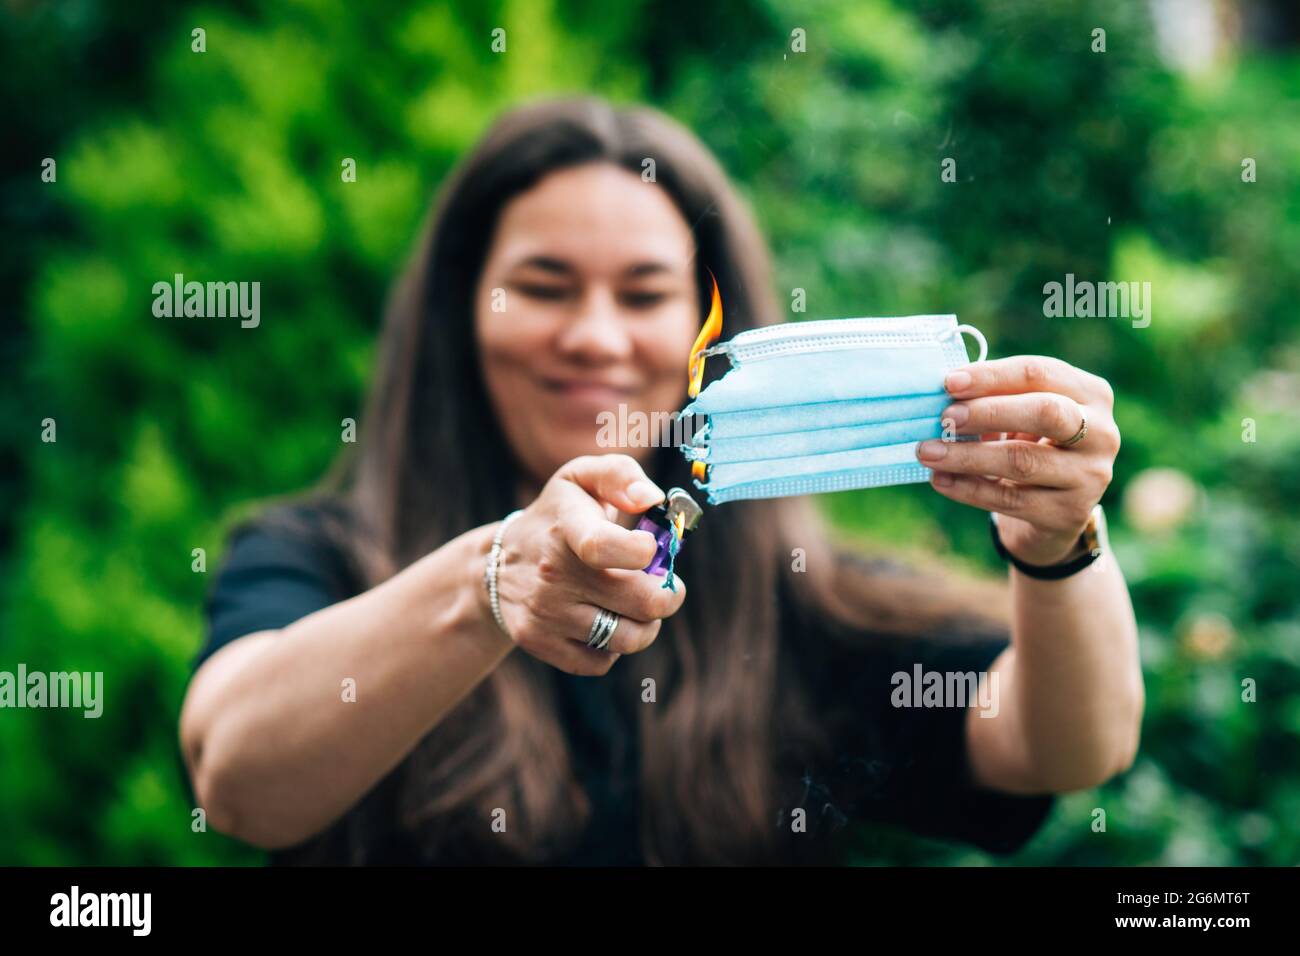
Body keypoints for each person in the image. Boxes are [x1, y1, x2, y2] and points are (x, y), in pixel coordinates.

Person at [178, 96, 1143, 866]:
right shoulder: (316, 555)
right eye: (546, 286)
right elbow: (237, 781)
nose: (595, 336)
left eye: (644, 293)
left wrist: (1059, 543)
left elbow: (1068, 744)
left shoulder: (801, 608)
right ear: (460, 312)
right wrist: (491, 579)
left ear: (707, 332)